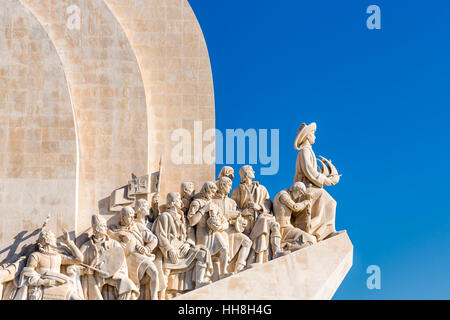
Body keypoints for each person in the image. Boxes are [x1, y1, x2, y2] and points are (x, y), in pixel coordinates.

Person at [153, 192, 211, 299]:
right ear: (173, 202)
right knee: (166, 270)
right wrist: (169, 249)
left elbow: (190, 233)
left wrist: (188, 243)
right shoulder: (165, 217)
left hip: (183, 248)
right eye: (178, 200)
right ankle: (160, 295)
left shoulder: (183, 218)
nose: (181, 202)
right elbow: (160, 235)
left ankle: (199, 282)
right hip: (170, 250)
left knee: (202, 253)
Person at [293, 122, 340, 241]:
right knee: (330, 201)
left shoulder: (308, 151)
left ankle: (324, 230)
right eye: (313, 134)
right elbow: (309, 170)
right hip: (306, 188)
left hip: (312, 186)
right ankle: (320, 231)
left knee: (330, 201)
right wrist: (326, 180)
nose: (315, 136)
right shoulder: (305, 151)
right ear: (307, 135)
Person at [231, 165, 285, 264]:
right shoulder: (236, 191)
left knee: (268, 222)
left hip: (260, 216)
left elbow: (267, 203)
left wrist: (259, 207)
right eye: (251, 170)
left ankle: (274, 252)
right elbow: (233, 207)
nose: (254, 172)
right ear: (246, 173)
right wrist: (243, 212)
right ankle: (258, 259)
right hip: (246, 222)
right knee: (263, 223)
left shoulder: (261, 188)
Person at [79, 215, 139, 300]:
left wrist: (113, 271)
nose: (105, 228)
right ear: (96, 228)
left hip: (113, 276)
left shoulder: (114, 244)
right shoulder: (86, 246)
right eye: (102, 226)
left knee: (128, 285)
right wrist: (86, 271)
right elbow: (78, 264)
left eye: (105, 225)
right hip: (95, 277)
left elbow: (122, 264)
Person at [110, 206, 160, 300]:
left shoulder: (137, 226)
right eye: (129, 216)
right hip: (126, 262)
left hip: (139, 256)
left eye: (133, 216)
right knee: (132, 289)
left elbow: (154, 239)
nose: (132, 218)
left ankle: (154, 298)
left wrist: (146, 249)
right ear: (122, 217)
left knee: (154, 271)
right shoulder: (114, 230)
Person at [17, 230, 83, 300]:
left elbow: (79, 259)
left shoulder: (58, 257)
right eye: (53, 237)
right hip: (41, 289)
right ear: (47, 240)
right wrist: (43, 282)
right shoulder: (35, 256)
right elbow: (27, 276)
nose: (55, 239)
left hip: (59, 287)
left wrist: (69, 243)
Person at [188, 182, 231, 279]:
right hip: (202, 233)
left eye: (214, 192)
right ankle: (200, 280)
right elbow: (191, 221)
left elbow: (226, 222)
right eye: (211, 192)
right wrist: (203, 209)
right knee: (204, 254)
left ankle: (223, 272)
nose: (213, 194)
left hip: (214, 233)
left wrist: (220, 227)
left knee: (224, 249)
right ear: (205, 190)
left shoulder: (215, 206)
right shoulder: (196, 203)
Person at [213, 177, 252, 274]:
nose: (231, 188)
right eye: (229, 185)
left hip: (230, 232)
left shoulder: (232, 202)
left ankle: (239, 269)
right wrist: (227, 216)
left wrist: (241, 220)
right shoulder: (212, 201)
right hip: (219, 233)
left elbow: (237, 221)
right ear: (222, 185)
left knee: (247, 241)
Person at [273, 182, 317, 251]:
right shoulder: (283, 195)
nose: (299, 196)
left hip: (288, 227)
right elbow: (295, 207)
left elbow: (295, 212)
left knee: (312, 240)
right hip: (283, 228)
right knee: (311, 240)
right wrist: (307, 201)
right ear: (295, 189)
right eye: (300, 193)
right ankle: (285, 248)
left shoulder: (286, 195)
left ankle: (288, 246)